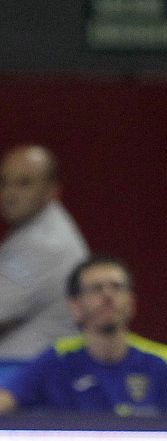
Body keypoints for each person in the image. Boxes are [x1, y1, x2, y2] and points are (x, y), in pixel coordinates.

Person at [0, 256, 167, 416]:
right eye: (96, 289)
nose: (108, 295)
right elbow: (7, 400)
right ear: (76, 307)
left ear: (131, 303)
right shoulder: (56, 361)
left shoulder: (163, 362)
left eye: (117, 287)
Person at [0, 144, 90, 360]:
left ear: (52, 190)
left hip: (27, 377)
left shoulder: (44, 244)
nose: (10, 194)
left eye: (24, 183)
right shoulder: (33, 230)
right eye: (3, 183)